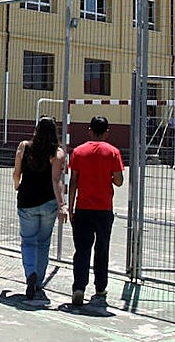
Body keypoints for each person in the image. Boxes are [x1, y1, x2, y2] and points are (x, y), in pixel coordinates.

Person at [67, 116, 124, 306]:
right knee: (102, 248)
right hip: (104, 208)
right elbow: (119, 180)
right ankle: (100, 287)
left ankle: (79, 287)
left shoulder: (78, 151)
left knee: (82, 249)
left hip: (83, 207)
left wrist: (70, 206)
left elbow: (73, 181)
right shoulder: (113, 152)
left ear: (90, 131)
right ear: (107, 132)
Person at [12, 116, 67, 304]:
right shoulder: (57, 153)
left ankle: (31, 274)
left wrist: (17, 184)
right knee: (43, 243)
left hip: (27, 201)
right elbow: (56, 180)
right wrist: (62, 205)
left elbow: (16, 173)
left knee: (28, 242)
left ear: (36, 129)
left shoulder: (24, 147)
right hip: (48, 203)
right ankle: (39, 281)